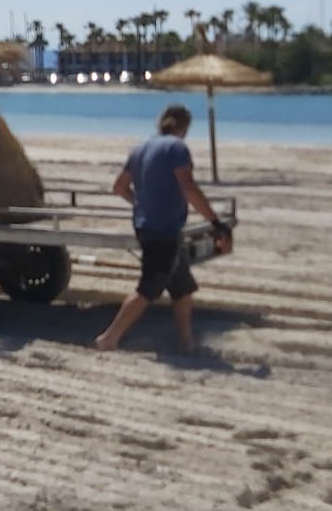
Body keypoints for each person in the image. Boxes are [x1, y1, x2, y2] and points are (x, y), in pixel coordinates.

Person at [94, 103, 231, 353]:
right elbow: (189, 189)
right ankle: (109, 337)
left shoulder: (140, 148)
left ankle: (186, 341)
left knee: (183, 287)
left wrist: (141, 202)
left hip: (148, 226)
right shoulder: (177, 149)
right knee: (149, 287)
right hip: (162, 230)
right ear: (185, 127)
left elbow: (119, 187)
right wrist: (215, 222)